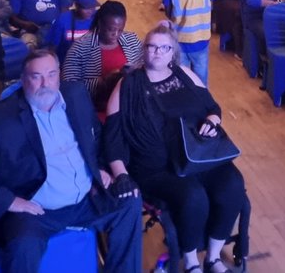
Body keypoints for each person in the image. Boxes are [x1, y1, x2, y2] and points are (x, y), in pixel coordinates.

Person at [0, 50, 142, 273]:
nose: (46, 83)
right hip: (39, 210)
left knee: (130, 201)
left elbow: (96, 136)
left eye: (51, 74)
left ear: (59, 74)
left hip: (86, 199)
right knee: (23, 247)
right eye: (36, 76)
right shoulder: (3, 118)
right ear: (23, 80)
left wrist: (100, 168)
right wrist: (12, 201)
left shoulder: (76, 95)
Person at [105, 23, 245, 273]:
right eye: (152, 46)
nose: (157, 52)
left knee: (233, 183)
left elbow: (213, 108)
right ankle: (191, 261)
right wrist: (121, 174)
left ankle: (213, 257)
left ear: (172, 52)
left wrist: (213, 121)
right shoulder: (126, 86)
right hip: (158, 167)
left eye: (164, 47)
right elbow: (112, 140)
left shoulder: (184, 74)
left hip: (195, 156)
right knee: (193, 196)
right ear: (144, 50)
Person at [62, 1, 144, 116]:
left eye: (120, 30)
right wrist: (102, 82)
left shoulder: (132, 41)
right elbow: (69, 88)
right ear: (100, 24)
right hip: (94, 112)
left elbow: (145, 69)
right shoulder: (80, 48)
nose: (116, 34)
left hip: (131, 109)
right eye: (111, 29)